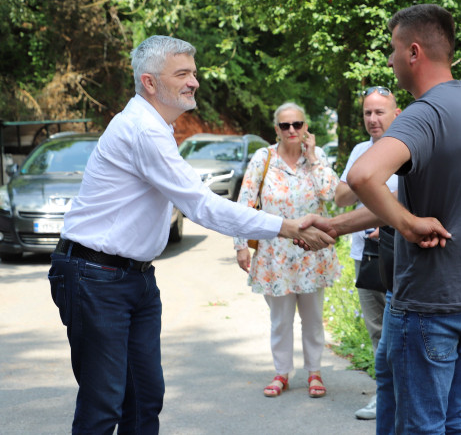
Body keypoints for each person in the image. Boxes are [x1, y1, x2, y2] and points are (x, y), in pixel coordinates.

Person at [48, 36, 334, 435]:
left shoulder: (158, 128)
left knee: (144, 399)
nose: (194, 82)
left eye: (193, 73)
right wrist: (285, 227)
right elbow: (202, 205)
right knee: (103, 406)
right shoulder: (141, 129)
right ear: (149, 82)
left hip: (133, 279)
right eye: (182, 73)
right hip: (96, 277)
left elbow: (193, 195)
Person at [305, 4, 461, 434]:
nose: (390, 61)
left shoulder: (424, 114)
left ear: (414, 52)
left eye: (393, 51)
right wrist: (335, 226)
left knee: (424, 425)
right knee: (459, 414)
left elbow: (362, 176)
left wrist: (409, 225)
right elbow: (396, 195)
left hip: (431, 303)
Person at [234, 102, 340, 399]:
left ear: (306, 127)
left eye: (298, 124)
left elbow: (332, 195)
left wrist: (313, 159)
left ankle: (314, 371)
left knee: (313, 318)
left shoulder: (317, 158)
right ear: (276, 130)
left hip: (312, 254)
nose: (292, 130)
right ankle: (282, 372)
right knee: (280, 320)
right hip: (275, 255)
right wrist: (241, 246)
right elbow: (245, 203)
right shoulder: (263, 158)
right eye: (285, 126)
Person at [334, 86, 401, 420]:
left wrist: (380, 209)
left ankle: (406, 397)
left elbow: (407, 204)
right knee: (376, 329)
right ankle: (383, 396)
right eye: (367, 113)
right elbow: (341, 197)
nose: (373, 120)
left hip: (401, 256)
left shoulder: (407, 150)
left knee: (400, 330)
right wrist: (367, 179)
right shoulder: (361, 149)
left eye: (379, 112)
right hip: (367, 255)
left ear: (396, 113)